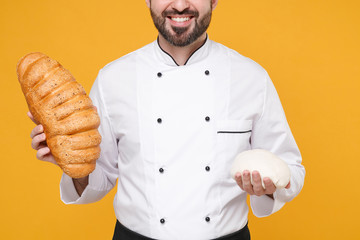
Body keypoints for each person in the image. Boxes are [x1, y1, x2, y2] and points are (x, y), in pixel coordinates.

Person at [28, 0, 305, 239]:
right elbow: (99, 178)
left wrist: (268, 188)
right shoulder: (114, 78)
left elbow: (291, 168)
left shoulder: (252, 78)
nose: (180, 5)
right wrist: (71, 161)